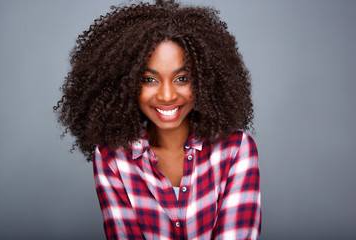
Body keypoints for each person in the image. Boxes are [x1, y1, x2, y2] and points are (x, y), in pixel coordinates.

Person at [54, 0, 261, 239]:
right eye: (149, 80)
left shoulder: (236, 149)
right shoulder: (112, 158)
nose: (166, 95)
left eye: (182, 79)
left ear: (204, 81)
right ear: (125, 83)